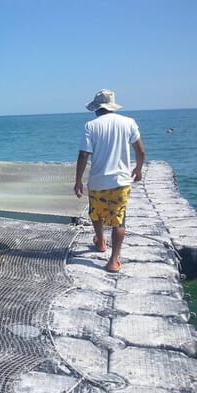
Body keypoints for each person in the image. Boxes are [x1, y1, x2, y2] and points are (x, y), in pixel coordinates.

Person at [74, 89, 145, 272]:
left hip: (98, 180)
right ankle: (113, 260)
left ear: (97, 108)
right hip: (121, 181)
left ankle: (100, 242)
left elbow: (83, 154)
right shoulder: (129, 123)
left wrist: (78, 181)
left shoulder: (91, 125)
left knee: (96, 213)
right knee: (119, 220)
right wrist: (137, 168)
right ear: (112, 107)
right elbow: (140, 150)